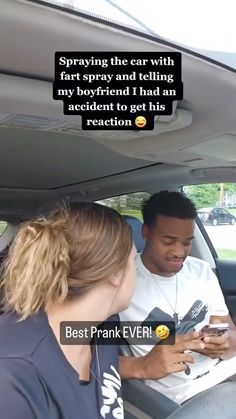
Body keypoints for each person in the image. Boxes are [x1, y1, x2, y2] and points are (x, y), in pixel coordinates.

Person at [0, 202, 136, 419]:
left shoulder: (102, 324)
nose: (136, 273)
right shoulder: (13, 371)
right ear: (116, 273)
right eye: (133, 261)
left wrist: (166, 341)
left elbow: (147, 332)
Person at [119, 191, 236, 405]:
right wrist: (142, 365)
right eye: (168, 241)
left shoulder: (200, 270)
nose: (179, 252)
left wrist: (226, 343)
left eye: (186, 242)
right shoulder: (120, 280)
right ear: (146, 232)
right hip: (183, 395)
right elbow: (76, 346)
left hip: (227, 373)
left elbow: (228, 330)